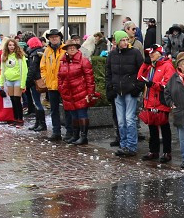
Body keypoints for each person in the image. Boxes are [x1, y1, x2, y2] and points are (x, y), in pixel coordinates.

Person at [106, 29, 144, 157]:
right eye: (122, 40)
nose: (125, 42)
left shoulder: (135, 53)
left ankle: (131, 146)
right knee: (121, 121)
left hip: (130, 90)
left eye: (126, 40)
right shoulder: (112, 55)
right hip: (118, 91)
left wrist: (137, 87)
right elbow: (109, 73)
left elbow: (142, 71)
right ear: (117, 42)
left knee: (130, 119)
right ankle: (123, 145)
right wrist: (110, 88)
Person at [56, 38, 98, 145]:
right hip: (68, 93)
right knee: (73, 115)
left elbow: (90, 78)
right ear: (66, 50)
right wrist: (61, 88)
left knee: (81, 113)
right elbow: (60, 76)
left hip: (81, 92)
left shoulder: (83, 61)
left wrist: (90, 93)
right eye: (69, 48)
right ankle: (75, 135)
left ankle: (84, 137)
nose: (72, 49)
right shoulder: (63, 62)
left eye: (73, 47)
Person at [138, 44, 175, 163]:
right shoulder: (151, 66)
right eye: (149, 53)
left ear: (160, 53)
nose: (150, 54)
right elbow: (139, 77)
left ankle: (167, 152)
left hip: (161, 100)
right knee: (152, 126)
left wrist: (153, 84)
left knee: (164, 127)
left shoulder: (167, 66)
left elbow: (167, 85)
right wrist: (145, 63)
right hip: (150, 101)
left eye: (153, 52)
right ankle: (153, 151)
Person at [39, 29, 68, 140]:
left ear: (60, 38)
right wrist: (45, 79)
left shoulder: (65, 49)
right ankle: (56, 132)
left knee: (67, 109)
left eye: (56, 37)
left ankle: (69, 131)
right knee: (54, 110)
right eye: (52, 37)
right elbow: (43, 66)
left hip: (63, 84)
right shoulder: (47, 51)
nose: (54, 39)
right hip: (51, 85)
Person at [0, 38, 27, 126]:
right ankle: (15, 118)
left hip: (18, 79)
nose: (11, 47)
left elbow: (24, 70)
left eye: (13, 45)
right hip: (9, 80)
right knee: (12, 100)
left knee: (17, 99)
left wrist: (23, 83)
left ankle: (20, 119)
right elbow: (2, 69)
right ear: (7, 46)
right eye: (10, 45)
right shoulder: (4, 56)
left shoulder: (20, 56)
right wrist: (1, 82)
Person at [23, 36, 47, 131]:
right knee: (37, 101)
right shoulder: (39, 52)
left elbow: (32, 70)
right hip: (38, 79)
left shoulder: (34, 54)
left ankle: (41, 123)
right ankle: (38, 123)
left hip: (36, 80)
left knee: (37, 102)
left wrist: (27, 82)